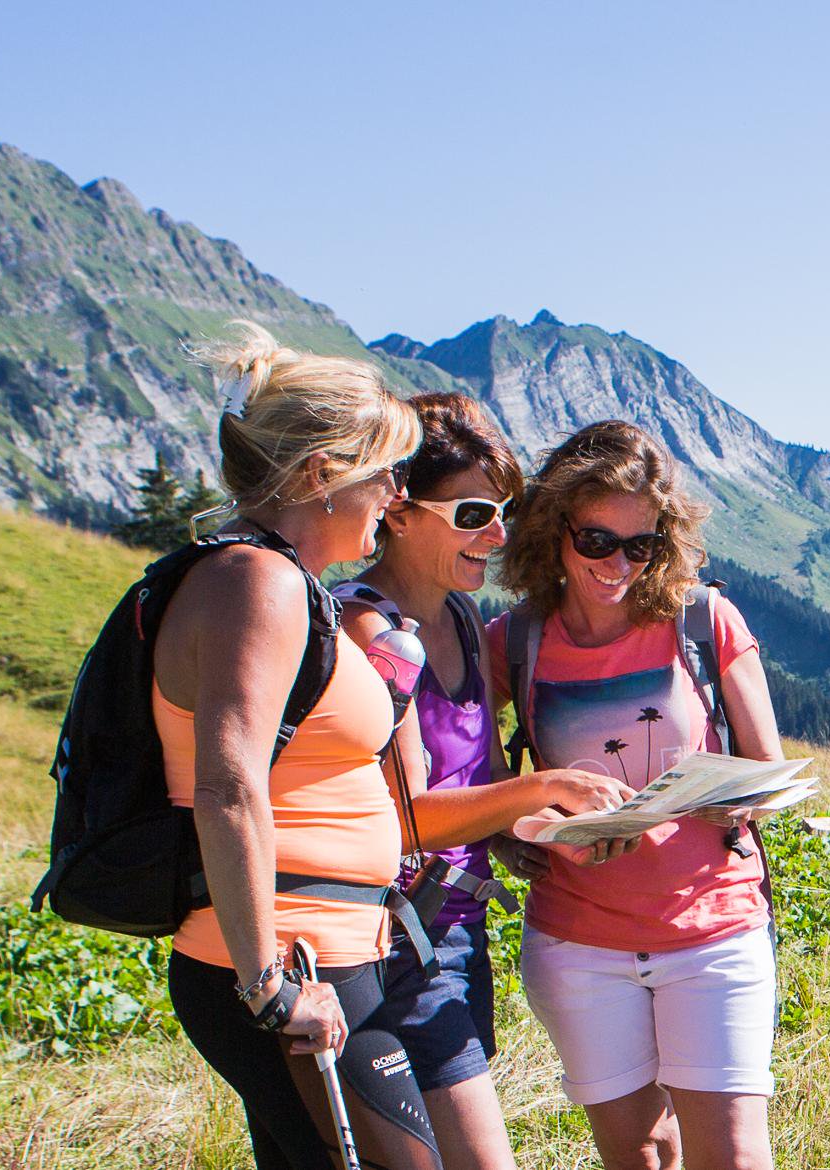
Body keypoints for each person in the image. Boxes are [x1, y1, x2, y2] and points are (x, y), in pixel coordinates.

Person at [148, 320, 434, 1170]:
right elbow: (228, 786)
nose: (395, 495)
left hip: (319, 953)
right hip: (295, 960)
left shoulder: (274, 583)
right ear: (321, 475)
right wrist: (269, 991)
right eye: (384, 472)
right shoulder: (259, 584)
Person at [335, 394, 639, 1170]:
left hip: (456, 928)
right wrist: (544, 792)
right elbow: (405, 817)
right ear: (398, 508)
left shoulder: (466, 618)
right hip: (392, 939)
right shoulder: (368, 628)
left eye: (502, 511)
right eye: (473, 513)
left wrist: (507, 832)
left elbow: (482, 770)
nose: (497, 535)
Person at [488, 419, 788, 1170]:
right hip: (577, 942)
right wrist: (529, 825)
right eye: (596, 541)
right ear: (554, 531)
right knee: (641, 1156)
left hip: (714, 927)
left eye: (641, 545)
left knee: (736, 1158)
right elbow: (469, 774)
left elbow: (768, 767)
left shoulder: (703, 619)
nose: (618, 563)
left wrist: (738, 798)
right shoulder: (514, 640)